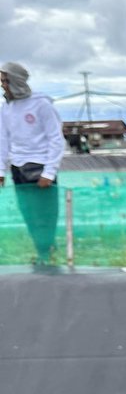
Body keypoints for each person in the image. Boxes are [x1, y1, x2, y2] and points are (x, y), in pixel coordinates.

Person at [0, 62, 66, 268]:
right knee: (28, 213)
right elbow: (3, 140)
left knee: (45, 215)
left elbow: (56, 139)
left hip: (40, 167)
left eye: (4, 80)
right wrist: (1, 170)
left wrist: (49, 172)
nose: (2, 85)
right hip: (18, 168)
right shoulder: (6, 107)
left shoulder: (42, 105)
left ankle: (47, 255)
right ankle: (43, 253)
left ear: (15, 80)